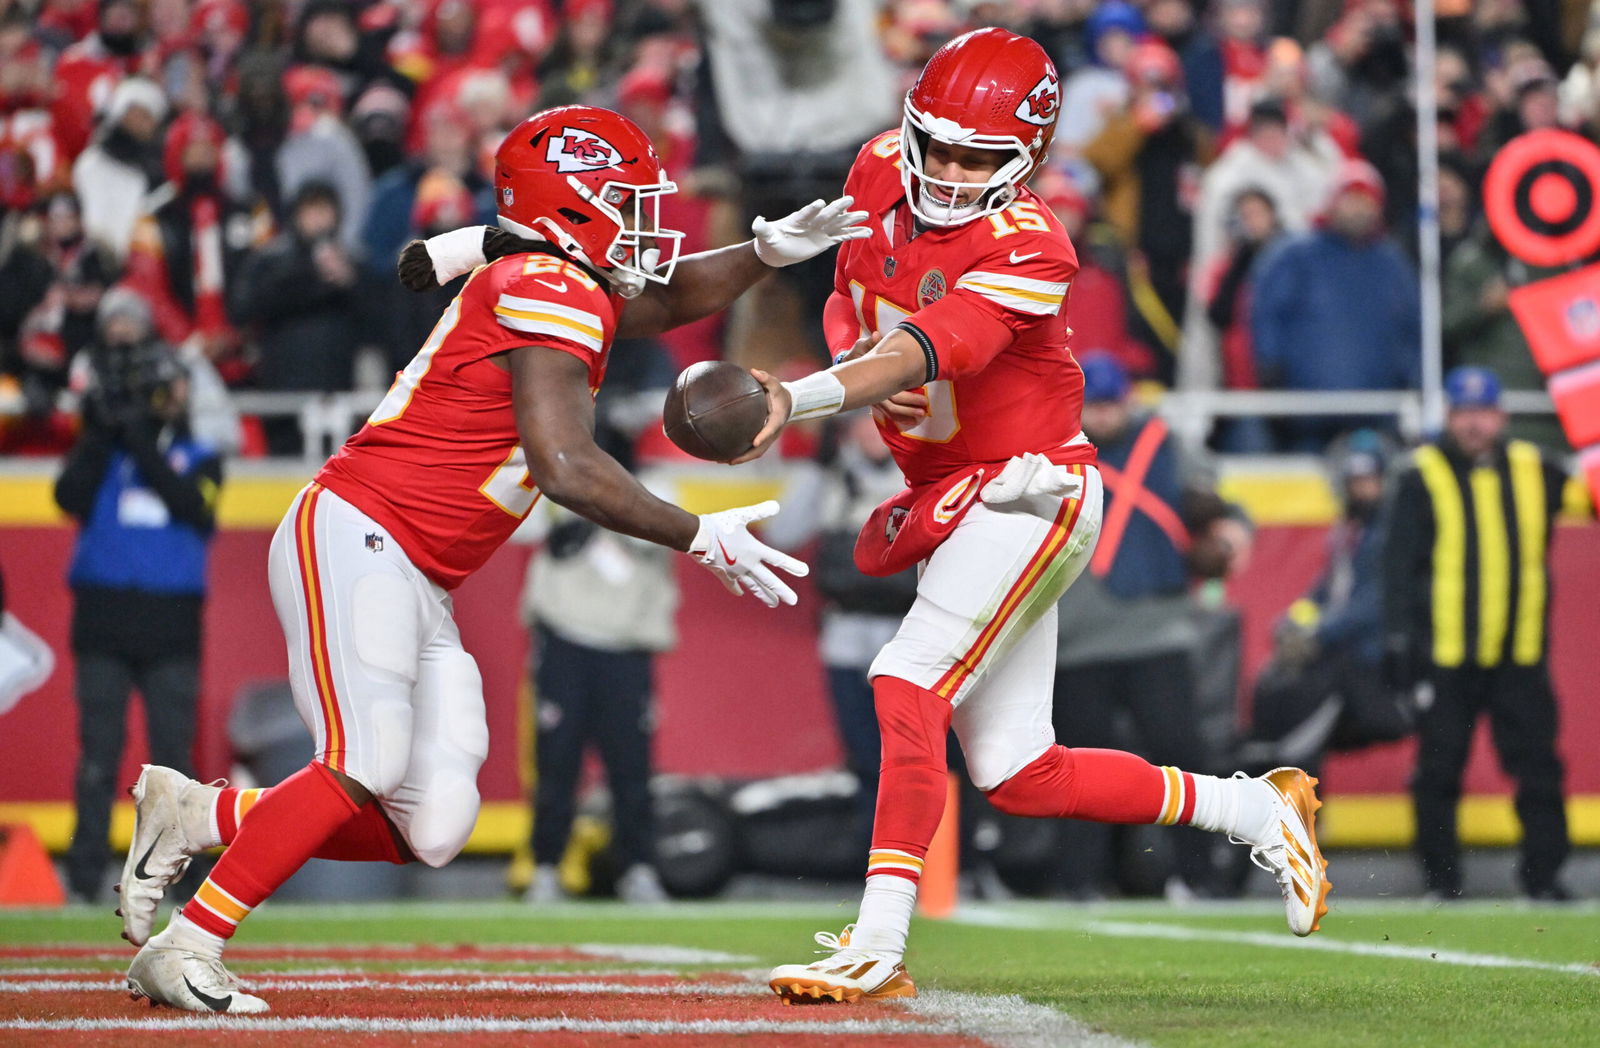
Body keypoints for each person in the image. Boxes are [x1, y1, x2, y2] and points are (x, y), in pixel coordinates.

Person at [117, 104, 868, 1013]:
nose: (642, 221)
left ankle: (199, 815)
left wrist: (768, 253)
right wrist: (699, 534)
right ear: (572, 206)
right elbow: (565, 466)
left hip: (415, 570)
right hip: (361, 529)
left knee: (433, 824)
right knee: (365, 757)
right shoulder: (544, 283)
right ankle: (189, 944)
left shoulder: (562, 281)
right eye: (625, 201)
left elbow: (668, 301)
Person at [731, 29, 1329, 1005]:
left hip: (1027, 486)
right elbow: (853, 303)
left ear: (1030, 158)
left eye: (979, 158)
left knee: (905, 677)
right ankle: (1257, 810)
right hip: (953, 492)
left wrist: (797, 398)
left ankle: (876, 941)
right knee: (1018, 771)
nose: (950, 172)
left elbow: (923, 348)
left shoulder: (1031, 245)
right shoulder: (878, 167)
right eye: (938, 146)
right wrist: (841, 362)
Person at [1051, 353, 1251, 900]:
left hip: (1158, 631)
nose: (1103, 414)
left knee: (1180, 755)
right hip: (1075, 639)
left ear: (1129, 400)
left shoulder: (1164, 444)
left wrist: (1233, 530)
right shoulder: (1049, 448)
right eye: (1094, 404)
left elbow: (1220, 505)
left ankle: (1199, 876)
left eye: (1111, 403)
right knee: (1078, 768)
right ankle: (1081, 881)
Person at [52, 288, 221, 903]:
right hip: (103, 617)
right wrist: (104, 433)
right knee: (98, 755)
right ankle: (84, 880)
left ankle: (180, 883)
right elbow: (67, 497)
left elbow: (192, 508)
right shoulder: (104, 452)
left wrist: (141, 437)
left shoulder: (199, 456)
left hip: (169, 623)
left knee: (173, 760)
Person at [1382, 366, 1576, 902]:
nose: (1474, 425)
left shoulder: (1537, 468)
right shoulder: (1420, 474)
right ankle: (1441, 881)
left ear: (1501, 416)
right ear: (1448, 416)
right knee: (1438, 771)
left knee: (1539, 768)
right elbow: (1396, 566)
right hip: (1447, 653)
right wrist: (1398, 640)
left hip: (1520, 652)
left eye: (1483, 413)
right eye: (1464, 413)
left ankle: (1545, 877)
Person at [1246, 430, 1412, 778]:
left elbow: (1374, 603)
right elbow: (1325, 593)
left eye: (1369, 481)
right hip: (1341, 654)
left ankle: (1294, 789)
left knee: (1306, 711)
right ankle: (1265, 767)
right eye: (1355, 482)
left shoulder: (1394, 533)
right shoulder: (1349, 532)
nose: (1362, 490)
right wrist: (1294, 621)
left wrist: (1317, 631)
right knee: (1272, 684)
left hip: (1373, 666)